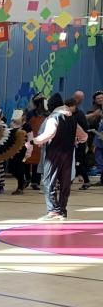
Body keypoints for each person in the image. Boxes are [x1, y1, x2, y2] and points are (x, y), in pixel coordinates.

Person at [32, 92, 88, 222]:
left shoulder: (53, 117)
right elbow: (84, 136)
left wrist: (33, 141)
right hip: (68, 155)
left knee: (49, 182)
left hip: (53, 155)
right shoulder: (72, 118)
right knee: (65, 183)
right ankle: (62, 210)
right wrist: (75, 140)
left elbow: (49, 134)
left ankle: (53, 211)